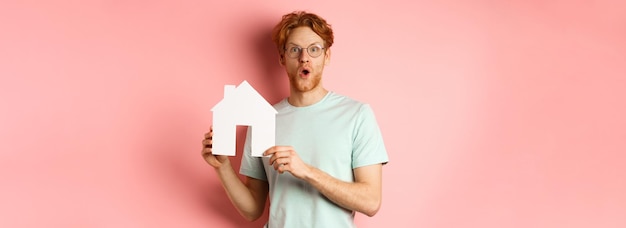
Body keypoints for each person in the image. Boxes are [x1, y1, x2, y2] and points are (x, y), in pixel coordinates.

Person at [201, 11, 389, 228]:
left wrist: (306, 171)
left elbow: (371, 201)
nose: (304, 57)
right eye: (294, 50)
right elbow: (253, 210)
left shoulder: (357, 115)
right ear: (282, 58)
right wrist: (222, 167)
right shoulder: (263, 118)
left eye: (314, 49)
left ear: (327, 56)